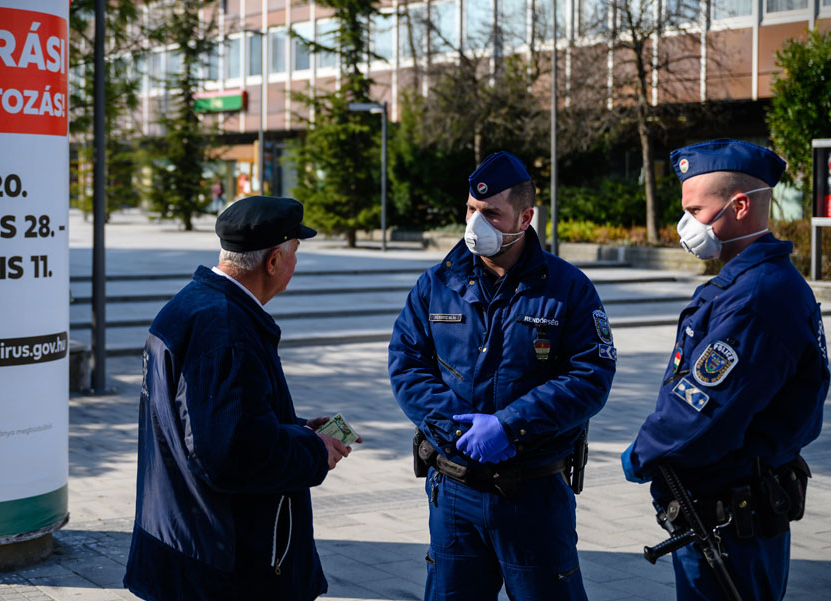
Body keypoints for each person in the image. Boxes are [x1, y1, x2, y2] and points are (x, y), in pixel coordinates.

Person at [389, 151, 617, 600]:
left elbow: (591, 374)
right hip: (454, 492)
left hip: (532, 493)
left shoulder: (568, 288)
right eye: (472, 210)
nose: (477, 222)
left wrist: (509, 426)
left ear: (525, 216)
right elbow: (407, 363)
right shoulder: (437, 284)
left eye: (491, 212)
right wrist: (458, 426)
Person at [123, 195, 360, 601]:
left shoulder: (189, 306)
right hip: (223, 568)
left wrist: (297, 427)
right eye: (294, 253)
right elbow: (231, 455)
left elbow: (206, 422)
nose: (295, 264)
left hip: (184, 546)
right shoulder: (227, 329)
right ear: (272, 262)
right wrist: (312, 450)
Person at [622, 139, 829, 600]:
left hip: (732, 517)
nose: (685, 225)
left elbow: (704, 408)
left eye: (695, 210)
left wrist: (640, 454)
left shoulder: (758, 296)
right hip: (729, 509)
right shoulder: (751, 281)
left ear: (738, 206)